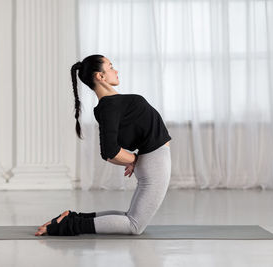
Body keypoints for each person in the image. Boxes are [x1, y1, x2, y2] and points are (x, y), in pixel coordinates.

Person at [35, 55, 172, 236]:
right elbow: (109, 151)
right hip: (155, 162)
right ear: (100, 76)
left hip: (151, 160)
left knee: (130, 217)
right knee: (134, 225)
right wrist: (135, 159)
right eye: (111, 67)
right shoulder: (109, 107)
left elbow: (114, 147)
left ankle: (74, 218)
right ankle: (67, 227)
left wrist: (134, 159)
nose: (116, 71)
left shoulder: (110, 105)